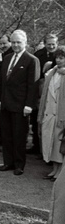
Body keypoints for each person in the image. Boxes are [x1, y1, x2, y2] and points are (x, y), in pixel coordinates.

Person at [0, 29, 40, 176]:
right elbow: (2, 81)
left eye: (18, 42)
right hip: (6, 104)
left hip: (21, 106)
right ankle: (8, 162)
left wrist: (29, 105)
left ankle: (19, 165)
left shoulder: (32, 60)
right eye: (13, 42)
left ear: (25, 43)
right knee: (6, 135)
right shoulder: (7, 58)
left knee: (19, 136)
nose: (15, 45)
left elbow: (33, 86)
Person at [38, 47, 65, 181]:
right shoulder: (52, 73)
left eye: (62, 58)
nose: (59, 60)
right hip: (49, 112)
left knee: (59, 144)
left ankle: (59, 171)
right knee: (50, 142)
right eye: (57, 58)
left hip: (61, 114)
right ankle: (54, 169)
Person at [28, 33, 58, 155]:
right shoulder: (38, 55)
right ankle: (37, 146)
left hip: (56, 90)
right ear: (45, 44)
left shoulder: (61, 54)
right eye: (49, 44)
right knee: (36, 118)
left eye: (53, 44)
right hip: (40, 89)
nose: (51, 47)